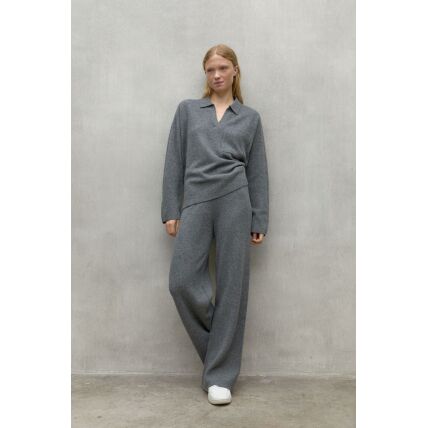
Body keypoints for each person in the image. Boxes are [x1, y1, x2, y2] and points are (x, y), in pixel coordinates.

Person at [161, 44, 269, 405]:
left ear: (235, 70)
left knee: (232, 288)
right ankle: (220, 357)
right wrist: (171, 209)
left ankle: (220, 377)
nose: (217, 74)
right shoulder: (188, 111)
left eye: (223, 68)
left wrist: (259, 216)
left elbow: (257, 171)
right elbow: (174, 160)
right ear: (205, 73)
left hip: (236, 201)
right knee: (181, 282)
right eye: (210, 69)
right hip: (196, 200)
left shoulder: (250, 118)